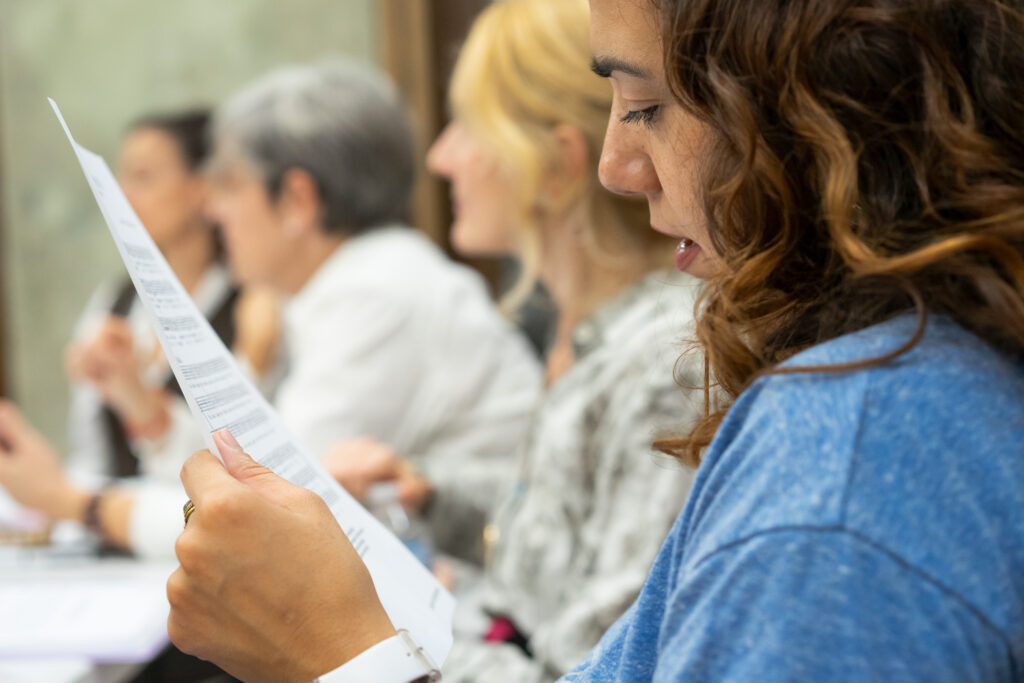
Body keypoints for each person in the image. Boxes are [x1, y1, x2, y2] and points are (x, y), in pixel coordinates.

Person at [164, 0, 1024, 680]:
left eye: (645, 105)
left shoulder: (836, 466)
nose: (619, 165)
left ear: (817, 109)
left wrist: (343, 646)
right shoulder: (859, 403)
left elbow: (570, 638)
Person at [320, 1, 701, 680]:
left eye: (468, 126)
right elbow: (567, 526)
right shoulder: (594, 332)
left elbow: (584, 668)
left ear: (556, 164)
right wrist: (432, 495)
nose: (441, 157)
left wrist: (358, 637)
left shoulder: (664, 366)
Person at [200, 59, 542, 467]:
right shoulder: (349, 282)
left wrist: (251, 364)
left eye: (231, 185)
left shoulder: (375, 294)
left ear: (297, 199)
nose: (214, 212)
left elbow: (268, 483)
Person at [0, 110, 262, 558]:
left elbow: (248, 465)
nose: (123, 195)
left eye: (144, 177)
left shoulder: (252, 308)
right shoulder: (115, 302)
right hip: (117, 548)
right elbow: (94, 456)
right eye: (121, 177)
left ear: (202, 188)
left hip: (203, 546)